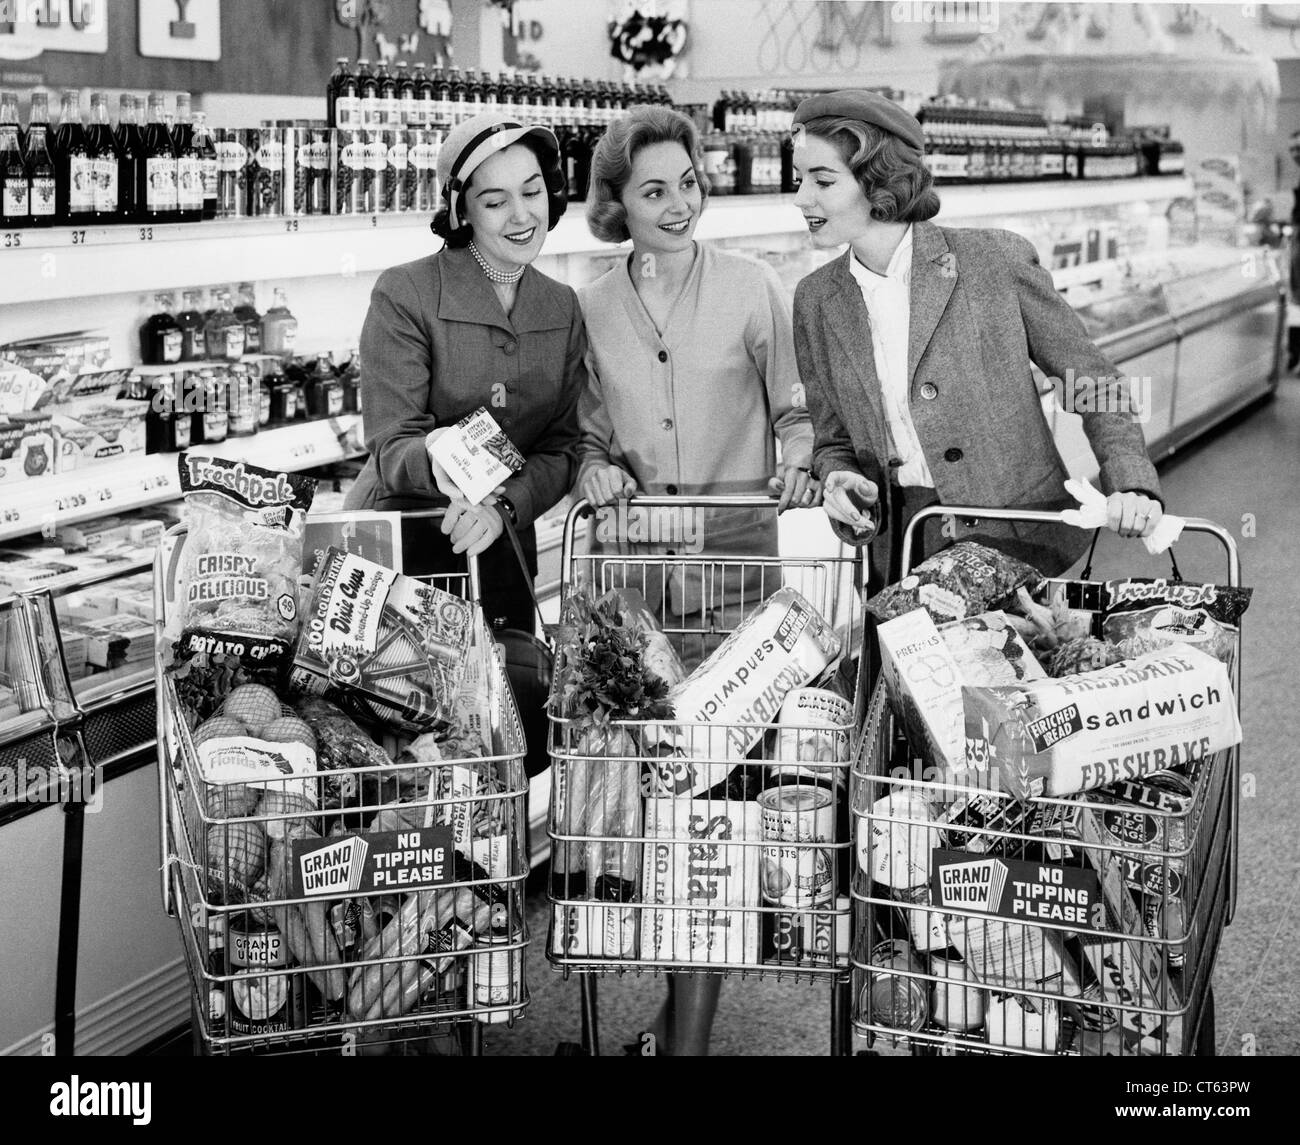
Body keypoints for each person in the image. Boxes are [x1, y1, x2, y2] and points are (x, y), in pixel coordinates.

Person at [576, 104, 818, 1056]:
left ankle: (688, 1045)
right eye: (653, 191)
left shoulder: (757, 289)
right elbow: (588, 433)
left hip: (731, 581)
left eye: (687, 182)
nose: (679, 204)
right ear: (616, 204)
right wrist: (596, 467)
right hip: (632, 594)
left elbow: (797, 411)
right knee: (647, 810)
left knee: (711, 809)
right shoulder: (588, 306)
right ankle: (669, 1023)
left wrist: (798, 457)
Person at [788, 90, 1165, 589]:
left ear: (879, 179)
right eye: (799, 179)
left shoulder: (994, 263)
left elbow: (1091, 381)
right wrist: (840, 478)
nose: (801, 198)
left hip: (1019, 544)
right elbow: (833, 435)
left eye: (823, 180)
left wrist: (1130, 481)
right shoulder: (816, 300)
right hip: (901, 552)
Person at [344, 112, 587, 634]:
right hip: (399, 550)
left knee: (507, 702)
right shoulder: (406, 293)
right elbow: (391, 442)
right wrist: (436, 461)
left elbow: (562, 445)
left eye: (533, 192)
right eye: (496, 202)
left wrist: (503, 506)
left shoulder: (561, 306)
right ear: (462, 212)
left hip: (502, 549)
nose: (522, 216)